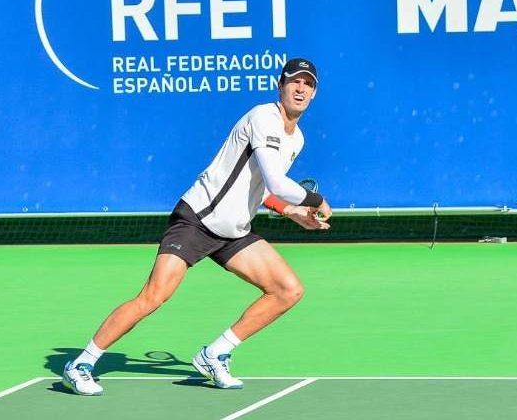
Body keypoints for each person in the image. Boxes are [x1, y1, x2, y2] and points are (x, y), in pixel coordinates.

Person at [62, 57, 332, 396]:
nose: (301, 88)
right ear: (280, 85)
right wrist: (314, 200)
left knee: (288, 290)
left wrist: (292, 212)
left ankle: (215, 354)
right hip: (198, 219)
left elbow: (264, 188)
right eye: (295, 81)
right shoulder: (263, 117)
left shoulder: (297, 140)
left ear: (314, 93)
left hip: (233, 230)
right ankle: (80, 364)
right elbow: (278, 182)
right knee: (153, 297)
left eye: (308, 84)